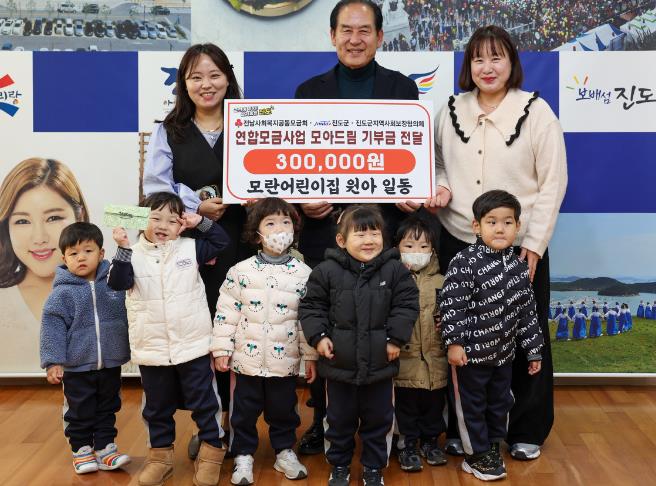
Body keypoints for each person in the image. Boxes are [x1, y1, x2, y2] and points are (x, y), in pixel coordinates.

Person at [428, 25, 567, 460]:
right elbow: (434, 161)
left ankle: (527, 428)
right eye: (478, 59)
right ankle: (463, 428)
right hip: (458, 241)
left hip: (520, 247)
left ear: (511, 63)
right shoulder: (450, 108)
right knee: (457, 337)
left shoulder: (536, 112)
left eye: (496, 58)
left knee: (527, 336)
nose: (487, 68)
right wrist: (442, 185)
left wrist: (535, 243)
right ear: (468, 66)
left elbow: (553, 182)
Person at [294, 0, 421, 456]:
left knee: (378, 329)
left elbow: (410, 156)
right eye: (346, 30)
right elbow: (297, 160)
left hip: (380, 235)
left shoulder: (402, 88)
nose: (355, 39)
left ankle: (384, 428)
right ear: (332, 36)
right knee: (330, 326)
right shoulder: (308, 92)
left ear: (380, 37)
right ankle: (322, 420)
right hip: (325, 234)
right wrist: (303, 200)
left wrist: (410, 189)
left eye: (364, 30)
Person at [143, 44, 249, 453]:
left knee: (241, 330)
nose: (207, 84)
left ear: (228, 78)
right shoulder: (169, 130)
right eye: (196, 77)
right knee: (200, 333)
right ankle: (209, 424)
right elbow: (156, 188)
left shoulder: (253, 122)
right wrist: (195, 206)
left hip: (246, 242)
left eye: (215, 75)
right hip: (190, 249)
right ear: (183, 84)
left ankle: (238, 422)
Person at [107, 192, 230, 486]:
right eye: (155, 218)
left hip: (193, 344)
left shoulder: (190, 248)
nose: (163, 225)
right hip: (152, 347)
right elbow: (117, 283)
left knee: (205, 401)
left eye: (172, 220)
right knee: (156, 406)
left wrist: (200, 222)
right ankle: (159, 458)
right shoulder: (130, 254)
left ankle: (212, 452)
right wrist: (122, 247)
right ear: (141, 220)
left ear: (181, 225)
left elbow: (221, 242)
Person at [299, 205, 419, 486]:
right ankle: (339, 464)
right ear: (341, 241)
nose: (369, 240)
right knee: (338, 420)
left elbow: (406, 306)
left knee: (379, 420)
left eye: (374, 233)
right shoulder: (326, 271)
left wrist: (396, 339)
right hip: (338, 365)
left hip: (380, 365)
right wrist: (319, 337)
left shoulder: (394, 270)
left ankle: (373, 467)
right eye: (360, 234)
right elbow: (312, 307)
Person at [211, 198, 317, 485]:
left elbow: (308, 319)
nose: (279, 229)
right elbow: (226, 313)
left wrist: (310, 356)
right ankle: (243, 454)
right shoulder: (240, 271)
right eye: (270, 223)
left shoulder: (304, 273)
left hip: (284, 362)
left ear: (294, 229)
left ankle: (284, 451)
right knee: (243, 412)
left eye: (285, 222)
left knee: (284, 410)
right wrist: (221, 349)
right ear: (256, 233)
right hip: (246, 361)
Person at [440, 190, 544, 481]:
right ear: (477, 226)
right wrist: (455, 344)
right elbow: (452, 307)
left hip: (504, 357)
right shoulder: (464, 262)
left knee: (501, 403)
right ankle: (475, 455)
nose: (500, 229)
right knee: (471, 406)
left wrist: (534, 350)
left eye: (508, 222)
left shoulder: (519, 268)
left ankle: (492, 445)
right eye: (492, 222)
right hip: (470, 358)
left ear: (518, 227)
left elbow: (528, 313)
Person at [40, 222, 130, 474]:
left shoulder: (112, 284)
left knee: (108, 407)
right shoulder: (61, 294)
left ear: (101, 254)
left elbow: (129, 302)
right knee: (80, 410)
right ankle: (81, 450)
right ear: (64, 259)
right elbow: (52, 330)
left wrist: (123, 245)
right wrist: (53, 361)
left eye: (88, 251)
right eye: (73, 253)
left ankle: (105, 449)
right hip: (77, 366)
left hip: (110, 362)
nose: (81, 257)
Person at [0, 158, 89, 372]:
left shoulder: (107, 289)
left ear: (79, 216)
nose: (39, 238)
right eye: (22, 221)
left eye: (53, 218)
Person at [393, 214, 448, 472]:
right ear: (397, 248)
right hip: (405, 359)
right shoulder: (392, 279)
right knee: (406, 405)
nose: (417, 251)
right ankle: (407, 443)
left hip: (435, 357)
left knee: (434, 404)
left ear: (433, 250)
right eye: (409, 245)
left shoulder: (442, 281)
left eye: (424, 246)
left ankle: (430, 441)